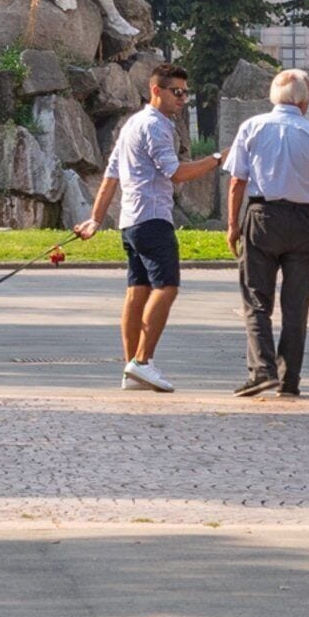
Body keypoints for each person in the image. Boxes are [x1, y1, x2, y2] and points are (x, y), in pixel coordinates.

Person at [77, 63, 220, 393]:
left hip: (131, 221)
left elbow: (111, 176)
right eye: (177, 92)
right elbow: (176, 173)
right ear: (157, 90)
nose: (183, 99)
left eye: (186, 92)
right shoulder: (156, 125)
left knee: (137, 292)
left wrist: (96, 219)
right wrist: (217, 157)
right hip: (153, 217)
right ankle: (141, 362)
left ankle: (131, 370)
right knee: (167, 287)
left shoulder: (132, 124)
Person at [223, 68, 309, 397]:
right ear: (304, 101)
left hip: (262, 215)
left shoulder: (252, 127)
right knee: (296, 305)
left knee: (256, 300)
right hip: (303, 220)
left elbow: (237, 181)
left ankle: (262, 370)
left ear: (273, 97)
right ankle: (289, 378)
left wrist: (233, 225)